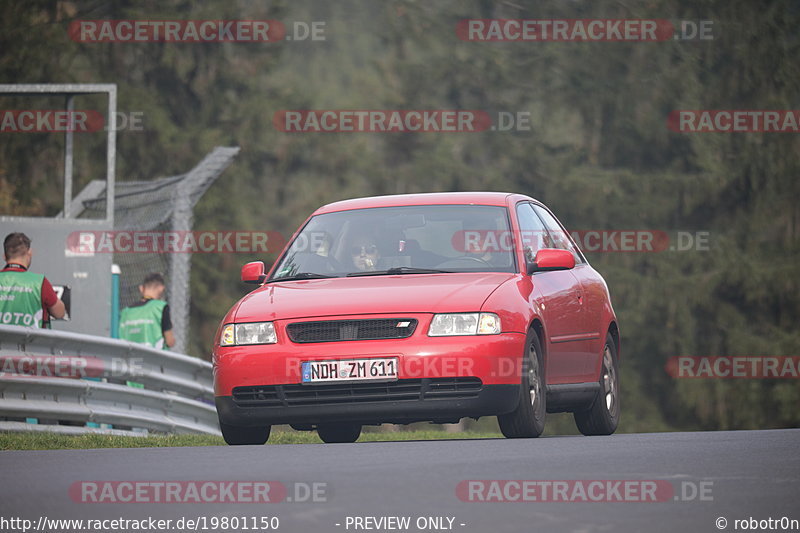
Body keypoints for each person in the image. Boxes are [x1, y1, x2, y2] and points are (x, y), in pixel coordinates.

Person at [1, 232, 65, 328]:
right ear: (30, 252)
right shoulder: (39, 282)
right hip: (28, 342)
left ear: (4, 256)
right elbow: (60, 313)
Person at [119, 272, 175, 350]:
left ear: (141, 288)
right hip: (154, 359)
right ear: (161, 288)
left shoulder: (126, 312)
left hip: (129, 359)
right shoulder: (160, 308)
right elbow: (169, 341)